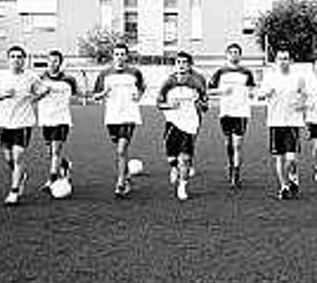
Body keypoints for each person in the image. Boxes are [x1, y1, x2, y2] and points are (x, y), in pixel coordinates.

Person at [0, 45, 49, 206]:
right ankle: (20, 175)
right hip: (4, 122)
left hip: (23, 122)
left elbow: (44, 90)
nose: (16, 59)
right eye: (13, 56)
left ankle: (14, 191)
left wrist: (33, 99)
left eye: (19, 57)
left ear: (24, 60)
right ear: (8, 59)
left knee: (18, 156)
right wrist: (3, 95)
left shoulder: (31, 77)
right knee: (8, 157)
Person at [92, 44, 146, 198]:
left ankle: (121, 182)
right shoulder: (105, 74)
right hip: (112, 117)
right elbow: (95, 96)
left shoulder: (135, 72)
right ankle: (127, 174)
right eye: (117, 54)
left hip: (129, 115)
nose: (120, 57)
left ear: (127, 56)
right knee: (120, 149)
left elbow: (143, 87)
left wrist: (139, 95)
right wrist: (104, 93)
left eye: (122, 54)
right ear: (113, 56)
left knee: (121, 150)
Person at [157, 51, 208, 201]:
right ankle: (173, 167)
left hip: (190, 124)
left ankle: (182, 186)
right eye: (178, 62)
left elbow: (205, 105)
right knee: (172, 156)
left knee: (185, 158)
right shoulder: (168, 82)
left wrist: (200, 103)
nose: (181, 65)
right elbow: (159, 104)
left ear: (190, 65)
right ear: (175, 65)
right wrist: (169, 105)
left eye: (185, 62)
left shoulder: (197, 83)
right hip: (172, 123)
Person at [258, 49, 306, 199]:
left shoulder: (297, 77)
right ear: (276, 61)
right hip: (275, 122)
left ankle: (293, 176)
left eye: (286, 58)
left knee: (291, 158)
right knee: (279, 157)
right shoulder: (270, 78)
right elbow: (259, 95)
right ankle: (284, 186)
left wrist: (302, 104)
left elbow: (305, 94)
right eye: (280, 59)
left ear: (290, 61)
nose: (283, 61)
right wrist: (267, 93)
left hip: (292, 122)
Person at [208, 43, 256, 189]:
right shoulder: (220, 72)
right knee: (228, 143)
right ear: (227, 55)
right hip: (225, 112)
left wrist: (253, 93)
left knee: (237, 144)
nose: (234, 54)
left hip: (241, 112)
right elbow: (209, 91)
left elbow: (252, 89)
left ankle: (236, 175)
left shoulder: (246, 72)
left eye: (236, 52)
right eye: (231, 52)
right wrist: (222, 91)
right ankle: (230, 164)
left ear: (240, 55)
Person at [36, 50, 79, 194]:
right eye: (50, 61)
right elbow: (34, 97)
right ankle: (65, 165)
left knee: (55, 151)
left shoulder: (69, 79)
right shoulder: (40, 78)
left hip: (62, 119)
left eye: (56, 61)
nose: (53, 64)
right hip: (45, 119)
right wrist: (43, 93)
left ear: (60, 63)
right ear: (47, 62)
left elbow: (76, 95)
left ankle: (51, 180)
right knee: (50, 152)